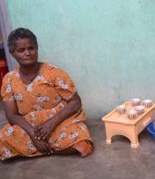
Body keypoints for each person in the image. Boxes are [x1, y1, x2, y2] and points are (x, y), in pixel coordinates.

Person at [0, 28, 94, 160]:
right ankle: (53, 148)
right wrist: (33, 134)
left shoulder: (54, 73)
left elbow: (75, 102)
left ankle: (41, 149)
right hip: (30, 125)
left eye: (31, 48)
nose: (27, 53)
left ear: (37, 49)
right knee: (4, 138)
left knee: (80, 138)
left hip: (58, 120)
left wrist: (51, 123)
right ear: (12, 53)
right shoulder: (9, 79)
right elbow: (11, 115)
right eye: (21, 50)